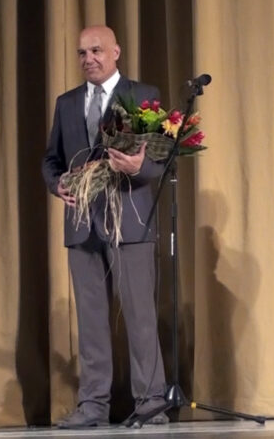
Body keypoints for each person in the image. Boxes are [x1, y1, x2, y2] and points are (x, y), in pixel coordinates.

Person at [42, 25, 168, 428]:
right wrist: (57, 184)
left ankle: (151, 402)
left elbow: (163, 158)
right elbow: (51, 159)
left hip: (130, 220)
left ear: (116, 52)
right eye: (82, 53)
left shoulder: (142, 94)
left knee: (140, 314)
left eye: (96, 50)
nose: (89, 59)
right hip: (82, 224)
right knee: (91, 319)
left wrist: (140, 166)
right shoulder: (66, 103)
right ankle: (93, 405)